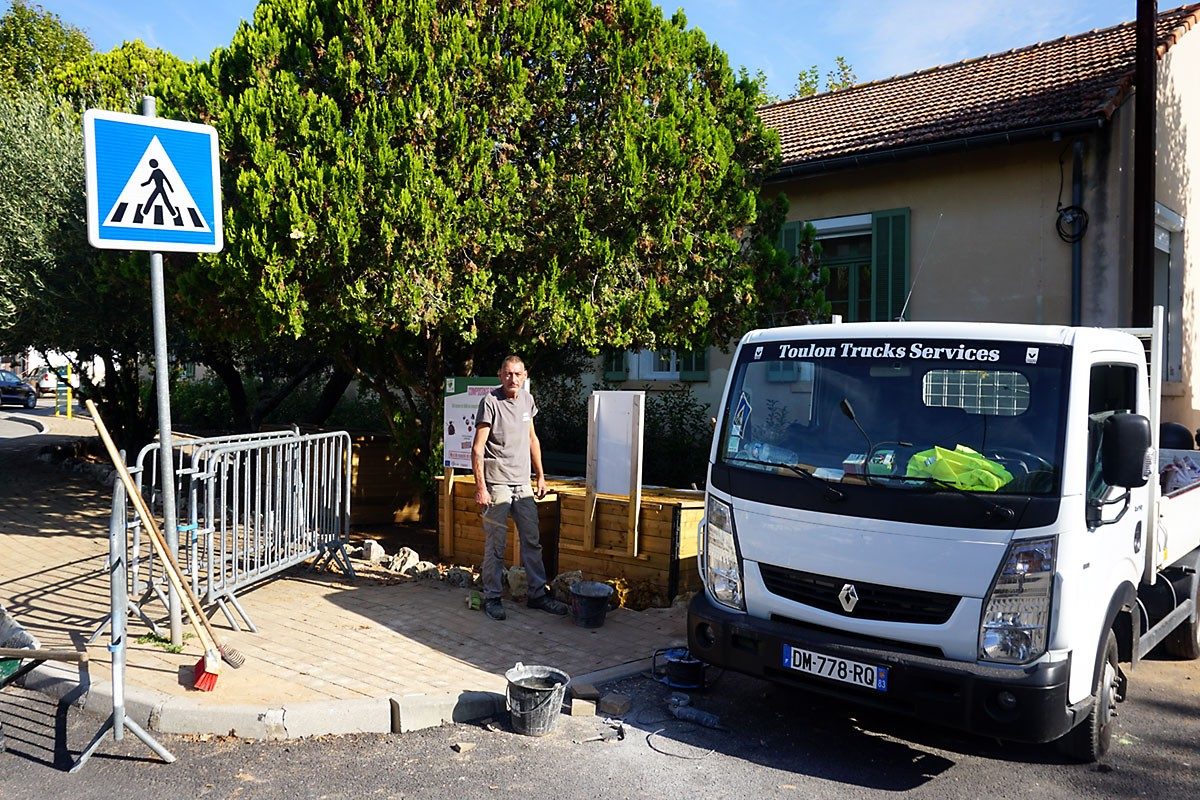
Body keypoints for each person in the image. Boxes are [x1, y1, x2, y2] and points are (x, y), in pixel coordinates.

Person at [471, 355, 568, 621]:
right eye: (507, 374)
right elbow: (478, 448)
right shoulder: (490, 402)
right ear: (500, 375)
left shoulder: (527, 400)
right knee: (496, 544)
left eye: (517, 374)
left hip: (522, 483)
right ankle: (492, 597)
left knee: (532, 541)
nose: (512, 379)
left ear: (524, 376)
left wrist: (540, 476)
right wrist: (481, 487)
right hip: (497, 485)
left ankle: (537, 595)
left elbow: (532, 438)